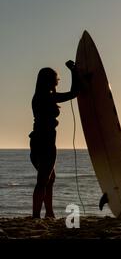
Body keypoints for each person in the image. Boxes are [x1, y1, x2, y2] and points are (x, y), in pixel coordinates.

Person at [29, 60, 79, 219]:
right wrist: (73, 70)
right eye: (56, 79)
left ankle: (49, 213)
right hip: (45, 142)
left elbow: (73, 93)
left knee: (49, 179)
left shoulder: (40, 96)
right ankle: (36, 216)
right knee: (43, 180)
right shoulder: (47, 97)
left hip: (37, 141)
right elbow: (74, 93)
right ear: (48, 81)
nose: (57, 82)